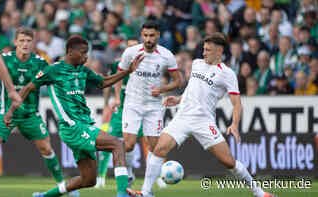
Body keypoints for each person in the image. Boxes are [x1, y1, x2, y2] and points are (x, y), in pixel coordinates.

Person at [127, 33, 275, 197]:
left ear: (219, 51)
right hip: (183, 117)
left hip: (204, 121)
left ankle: (259, 192)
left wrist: (234, 124)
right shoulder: (197, 64)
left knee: (228, 162)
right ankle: (146, 192)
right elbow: (193, 88)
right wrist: (178, 99)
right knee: (159, 150)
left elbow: (237, 103)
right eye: (203, 49)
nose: (203, 53)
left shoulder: (227, 73)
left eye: (208, 50)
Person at [4, 35, 143, 197]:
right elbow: (27, 88)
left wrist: (128, 71)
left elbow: (104, 82)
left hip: (84, 125)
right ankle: (122, 193)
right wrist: (10, 111)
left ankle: (44, 196)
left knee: (88, 180)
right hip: (73, 127)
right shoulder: (53, 70)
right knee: (117, 145)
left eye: (87, 53)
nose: (86, 57)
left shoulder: (83, 70)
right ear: (70, 52)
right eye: (83, 53)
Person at [0, 27, 79, 197]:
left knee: (46, 148)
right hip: (6, 113)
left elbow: (54, 81)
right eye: (21, 41)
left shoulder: (40, 62)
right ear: (15, 42)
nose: (25, 44)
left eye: (29, 41)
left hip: (30, 114)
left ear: (33, 43)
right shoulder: (5, 59)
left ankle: (62, 187)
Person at [96, 38, 166, 189]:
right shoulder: (118, 64)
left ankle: (160, 176)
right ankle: (101, 178)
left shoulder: (151, 63)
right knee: (113, 141)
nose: (132, 50)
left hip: (143, 108)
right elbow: (110, 82)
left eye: (135, 47)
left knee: (151, 142)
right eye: (129, 47)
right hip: (121, 110)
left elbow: (160, 82)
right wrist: (109, 102)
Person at [118, 20, 181, 187]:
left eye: (152, 35)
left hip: (153, 106)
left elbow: (178, 81)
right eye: (145, 35)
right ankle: (128, 175)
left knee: (155, 147)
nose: (148, 39)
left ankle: (149, 185)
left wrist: (162, 89)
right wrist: (117, 97)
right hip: (132, 103)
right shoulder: (130, 52)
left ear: (158, 36)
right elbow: (119, 75)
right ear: (141, 35)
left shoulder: (167, 55)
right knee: (129, 145)